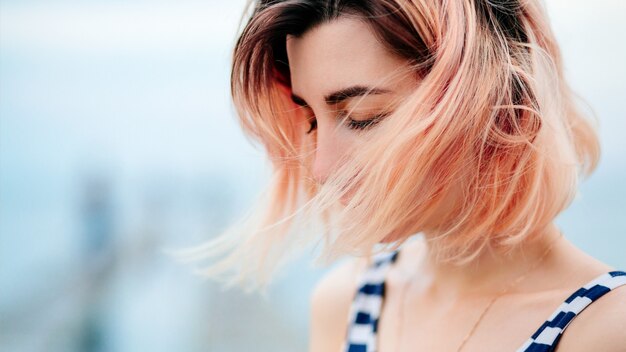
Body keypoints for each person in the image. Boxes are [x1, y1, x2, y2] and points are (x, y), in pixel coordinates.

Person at [188, 1, 626, 351]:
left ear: (492, 99)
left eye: (363, 117)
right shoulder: (345, 304)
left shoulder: (606, 329)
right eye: (312, 122)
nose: (321, 167)